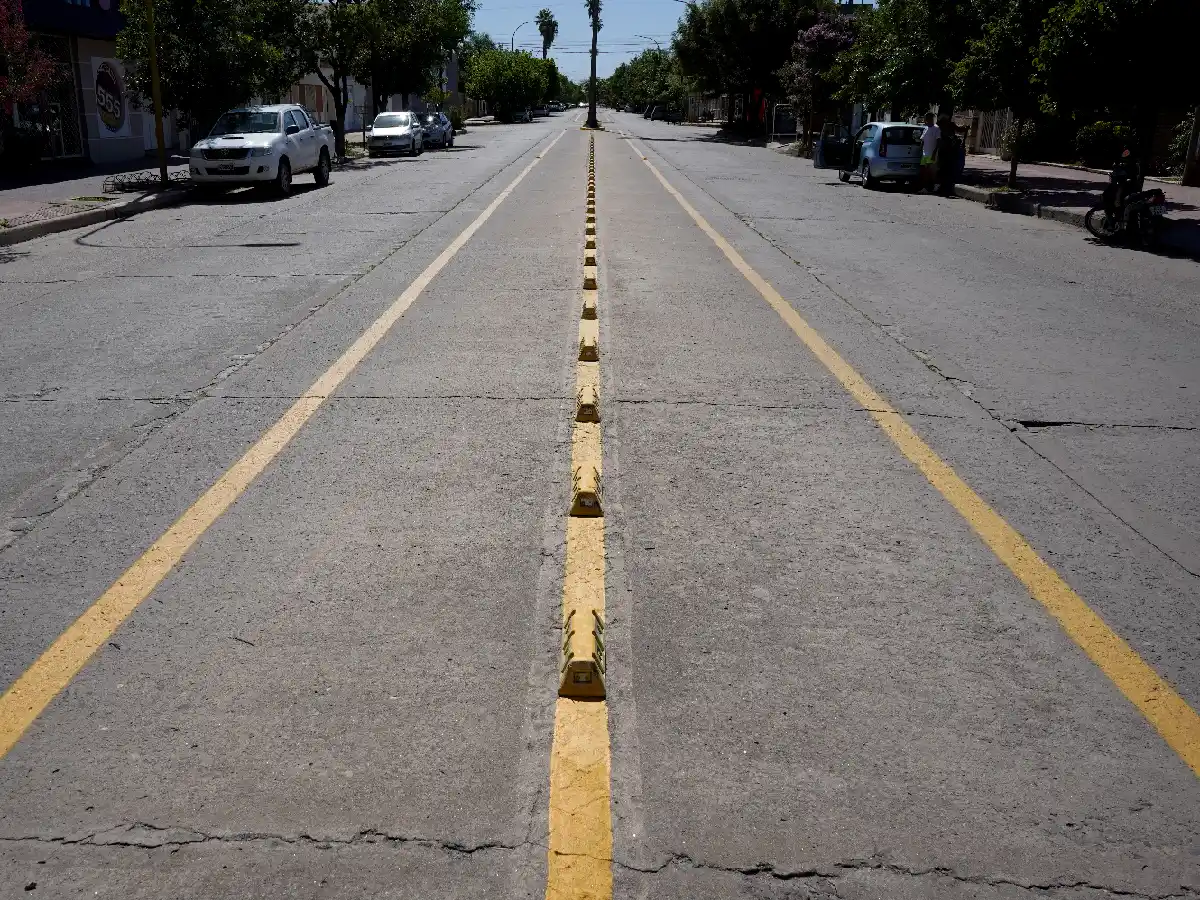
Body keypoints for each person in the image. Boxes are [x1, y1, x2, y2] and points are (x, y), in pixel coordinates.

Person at [935, 115, 957, 196]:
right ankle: (940, 186)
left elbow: (954, 138)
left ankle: (944, 187)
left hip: (948, 153)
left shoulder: (949, 128)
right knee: (941, 169)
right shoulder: (939, 129)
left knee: (946, 170)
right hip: (942, 152)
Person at [919, 112, 940, 193]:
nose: (925, 120)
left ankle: (933, 186)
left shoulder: (936, 129)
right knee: (924, 171)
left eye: (926, 119)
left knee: (930, 172)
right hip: (925, 154)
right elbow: (923, 140)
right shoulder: (926, 128)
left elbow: (938, 142)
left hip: (931, 153)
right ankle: (925, 187)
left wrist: (934, 153)